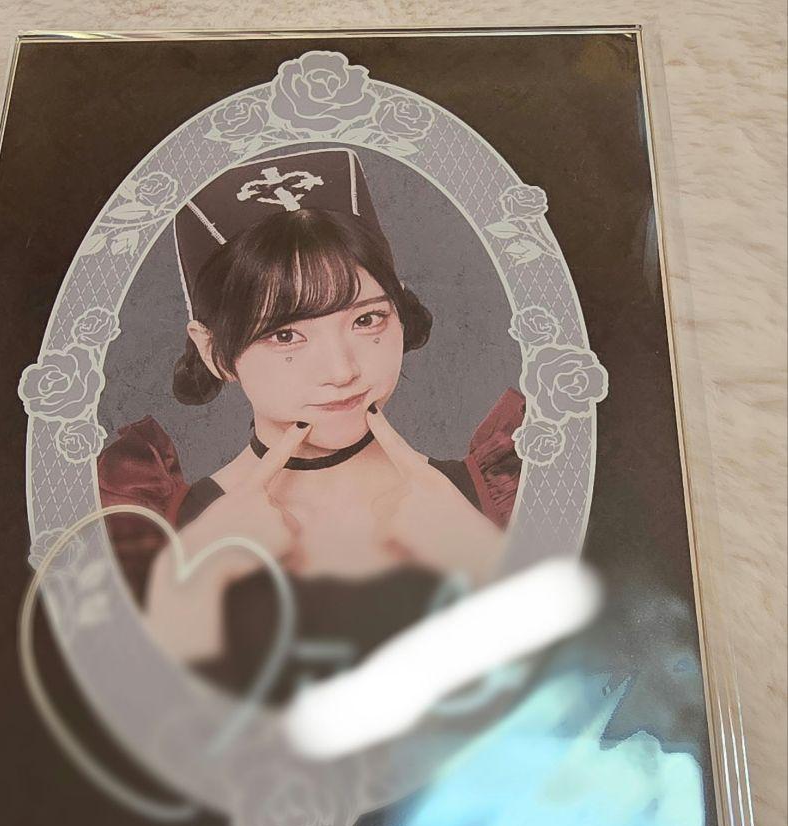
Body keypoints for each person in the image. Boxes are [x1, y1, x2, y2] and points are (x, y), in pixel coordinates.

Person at [98, 149, 524, 703]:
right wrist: (193, 590)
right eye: (286, 335)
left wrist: (484, 559)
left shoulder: (504, 490)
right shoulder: (149, 525)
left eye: (367, 319)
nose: (342, 371)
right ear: (214, 351)